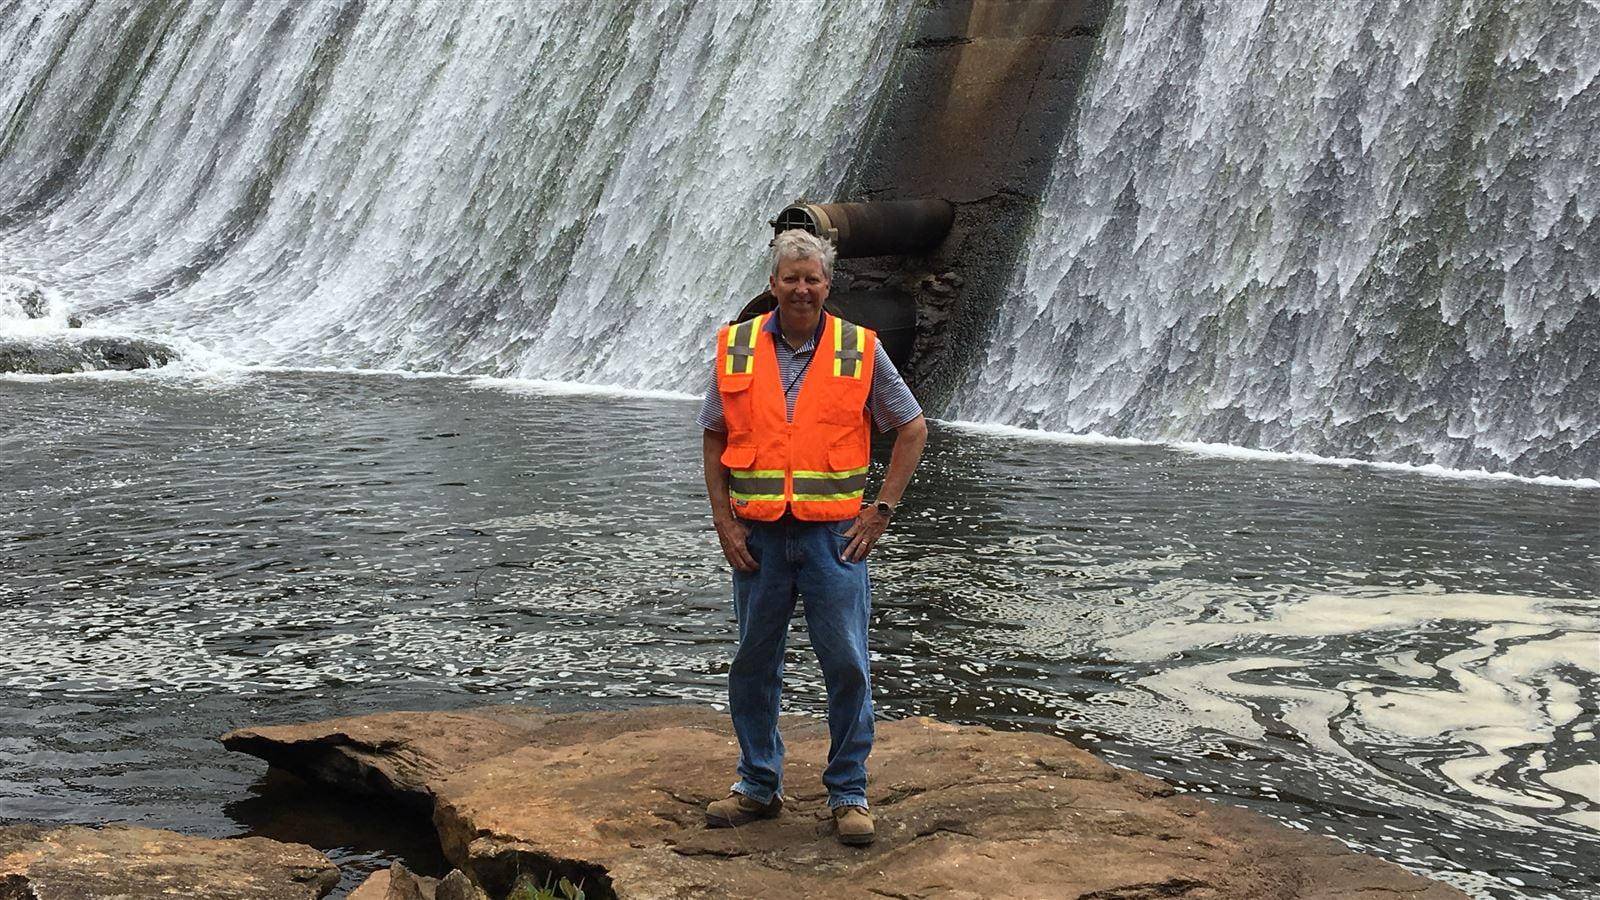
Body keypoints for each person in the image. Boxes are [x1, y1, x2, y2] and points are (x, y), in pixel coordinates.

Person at [696, 228, 928, 846]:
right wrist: (723, 520)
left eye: (813, 279)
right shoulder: (736, 347)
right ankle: (756, 785)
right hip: (760, 539)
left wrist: (882, 509)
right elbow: (714, 436)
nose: (802, 288)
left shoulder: (861, 349)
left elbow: (911, 428)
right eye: (791, 278)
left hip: (835, 539)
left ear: (829, 285)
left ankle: (848, 793)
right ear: (772, 284)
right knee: (753, 664)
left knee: (847, 663)